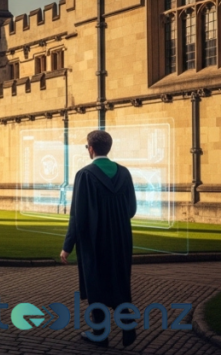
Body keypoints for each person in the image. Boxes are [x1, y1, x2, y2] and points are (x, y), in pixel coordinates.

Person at [59, 130, 138, 348]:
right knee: (118, 281)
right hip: (121, 239)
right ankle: (127, 324)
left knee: (96, 284)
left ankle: (100, 334)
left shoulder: (85, 175)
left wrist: (67, 247)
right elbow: (131, 209)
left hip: (94, 241)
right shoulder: (124, 173)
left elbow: (78, 215)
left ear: (91, 149)